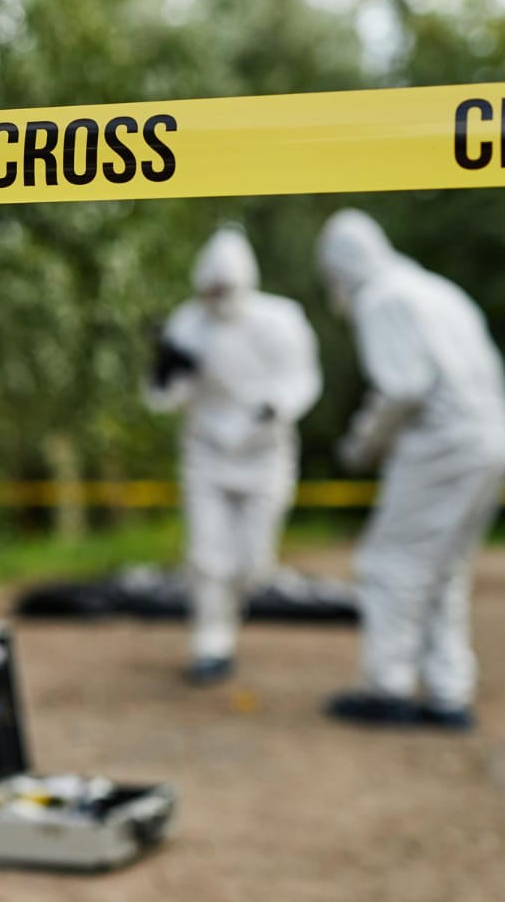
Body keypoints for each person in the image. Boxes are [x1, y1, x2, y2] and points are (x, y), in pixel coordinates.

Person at [316, 208, 505, 731]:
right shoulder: (436, 290)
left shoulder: (382, 298)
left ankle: (386, 687)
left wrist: (362, 445)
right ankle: (448, 692)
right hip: (496, 436)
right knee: (444, 566)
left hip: (444, 443)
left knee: (391, 563)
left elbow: (403, 387)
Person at [146, 224, 321, 685]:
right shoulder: (187, 324)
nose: (217, 297)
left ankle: (231, 617)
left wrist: (275, 407)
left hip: (265, 454)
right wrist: (166, 373)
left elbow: (304, 379)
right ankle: (211, 643)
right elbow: (164, 398)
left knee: (253, 562)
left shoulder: (281, 320)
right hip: (206, 453)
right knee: (206, 556)